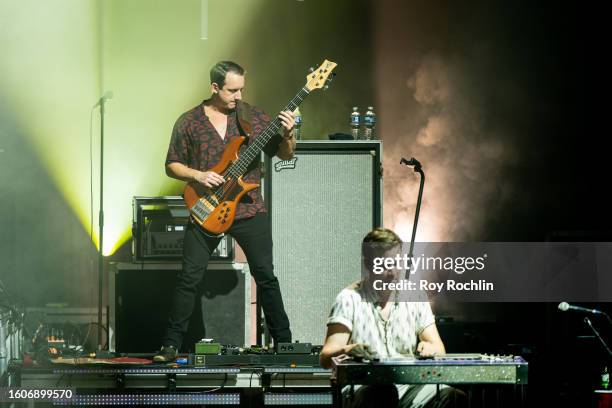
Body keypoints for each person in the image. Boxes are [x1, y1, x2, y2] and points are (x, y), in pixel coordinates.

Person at [154, 61, 295, 362]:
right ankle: (170, 346)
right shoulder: (189, 121)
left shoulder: (254, 118)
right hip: (207, 207)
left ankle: (285, 345)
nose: (238, 96)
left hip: (248, 207)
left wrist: (289, 133)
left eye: (242, 89)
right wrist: (198, 175)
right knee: (189, 278)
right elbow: (171, 164)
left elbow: (284, 154)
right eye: (232, 90)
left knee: (266, 275)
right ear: (215, 87)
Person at [320, 228, 466, 408]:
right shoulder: (349, 298)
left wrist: (430, 347)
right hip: (363, 387)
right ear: (368, 264)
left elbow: (439, 349)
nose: (391, 272)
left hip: (409, 387)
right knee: (382, 392)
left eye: (396, 263)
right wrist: (350, 349)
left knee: (452, 397)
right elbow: (326, 358)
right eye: (383, 265)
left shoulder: (415, 295)